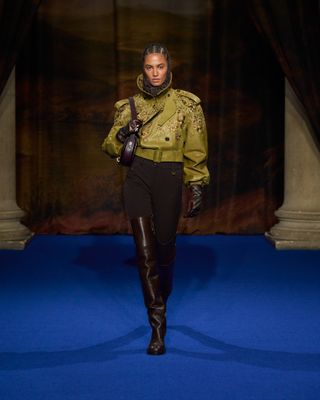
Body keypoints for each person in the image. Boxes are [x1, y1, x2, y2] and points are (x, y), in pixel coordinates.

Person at [102, 43, 210, 355]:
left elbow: (196, 148)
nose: (155, 73)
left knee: (164, 244)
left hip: (170, 175)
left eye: (160, 66)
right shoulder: (129, 106)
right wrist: (123, 133)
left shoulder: (187, 105)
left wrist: (197, 183)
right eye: (149, 67)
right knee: (144, 252)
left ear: (168, 67)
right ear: (143, 69)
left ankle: (164, 286)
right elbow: (108, 146)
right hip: (138, 176)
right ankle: (158, 326)